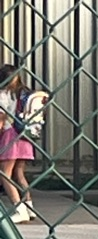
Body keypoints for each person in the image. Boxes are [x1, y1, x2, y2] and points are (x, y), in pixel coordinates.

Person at [0, 65, 37, 224]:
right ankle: (29, 207)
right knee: (19, 173)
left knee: (4, 174)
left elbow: (1, 119)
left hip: (10, 135)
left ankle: (18, 208)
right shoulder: (25, 93)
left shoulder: (3, 94)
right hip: (25, 135)